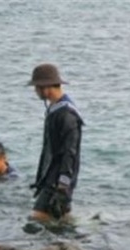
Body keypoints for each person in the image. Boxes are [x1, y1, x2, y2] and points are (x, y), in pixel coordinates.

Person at [27, 63, 84, 221]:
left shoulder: (67, 115)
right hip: (51, 176)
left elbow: (70, 152)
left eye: (37, 87)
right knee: (59, 218)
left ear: (46, 87)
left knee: (37, 218)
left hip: (59, 178)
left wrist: (63, 185)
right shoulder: (54, 109)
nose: (35, 91)